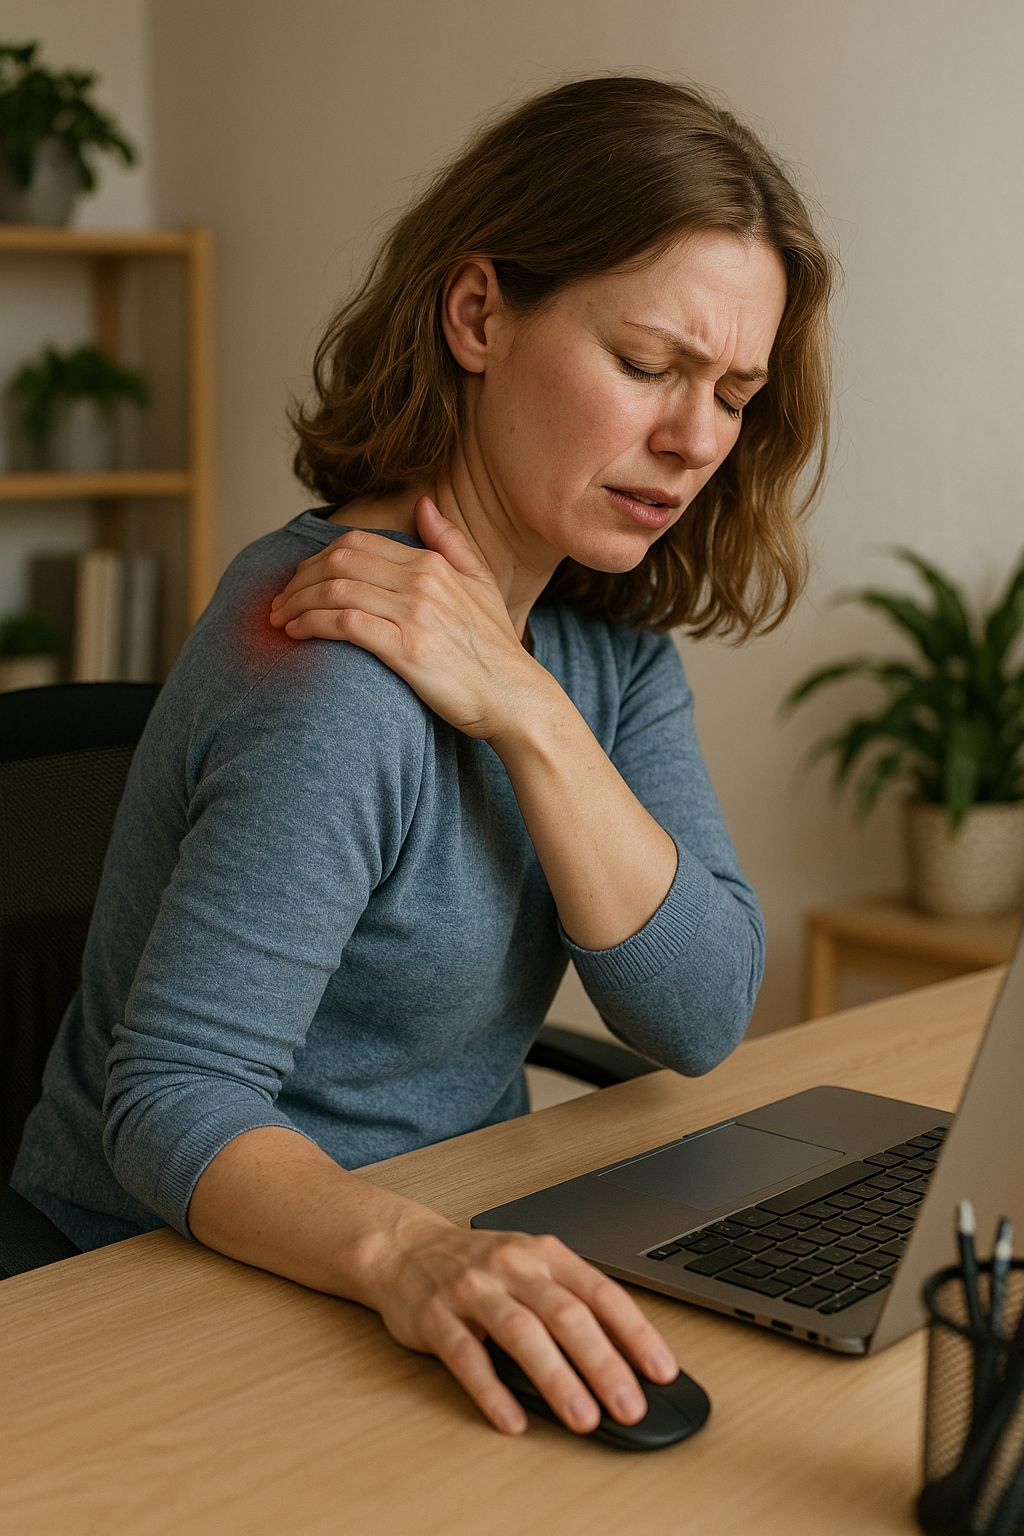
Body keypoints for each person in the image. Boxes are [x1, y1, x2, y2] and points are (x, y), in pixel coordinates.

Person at [13, 76, 833, 1438]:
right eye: (647, 365)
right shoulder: (331, 661)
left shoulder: (604, 654)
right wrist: (412, 1254)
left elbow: (698, 1016)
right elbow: (169, 1103)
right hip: (161, 1292)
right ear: (478, 315)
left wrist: (526, 706)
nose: (696, 440)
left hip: (443, 1238)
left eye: (733, 394)